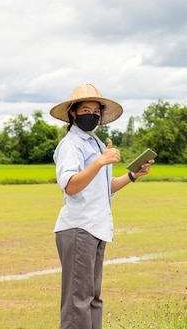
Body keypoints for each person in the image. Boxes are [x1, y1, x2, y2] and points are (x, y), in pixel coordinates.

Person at [49, 84, 154, 329]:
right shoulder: (71, 145)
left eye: (97, 111)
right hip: (78, 228)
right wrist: (100, 161)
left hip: (96, 227)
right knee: (78, 302)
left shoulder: (95, 143)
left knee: (93, 299)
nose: (92, 115)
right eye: (86, 109)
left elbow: (102, 188)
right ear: (73, 113)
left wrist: (132, 175)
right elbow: (71, 185)